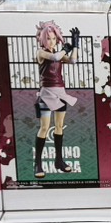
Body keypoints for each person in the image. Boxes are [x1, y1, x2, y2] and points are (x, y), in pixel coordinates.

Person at [33, 22, 80, 177]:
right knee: (44, 128)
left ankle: (59, 161)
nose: (52, 41)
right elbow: (54, 57)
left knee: (59, 126)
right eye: (48, 38)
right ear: (42, 39)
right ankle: (38, 164)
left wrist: (75, 45)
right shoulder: (41, 52)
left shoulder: (59, 54)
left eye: (54, 38)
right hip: (46, 93)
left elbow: (72, 61)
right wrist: (65, 48)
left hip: (60, 92)